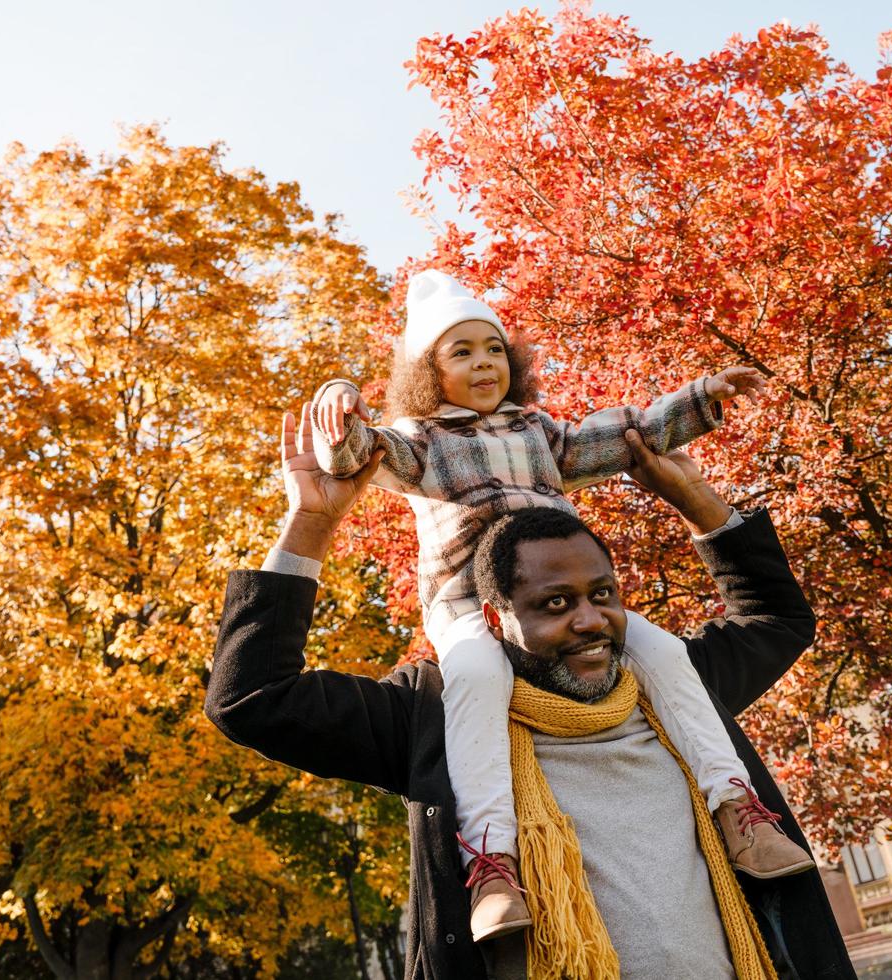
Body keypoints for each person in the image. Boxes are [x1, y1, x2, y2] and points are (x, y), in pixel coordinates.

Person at [204, 405, 858, 980]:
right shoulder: (433, 720)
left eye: (603, 596)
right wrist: (312, 523)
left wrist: (696, 499)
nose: (590, 620)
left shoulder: (674, 689)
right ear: (495, 617)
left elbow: (778, 621)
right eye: (554, 603)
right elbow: (253, 698)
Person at [307, 270, 813, 941]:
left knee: (665, 655)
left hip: (561, 597)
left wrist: (699, 400)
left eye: (493, 349)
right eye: (461, 353)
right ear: (427, 372)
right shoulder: (421, 440)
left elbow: (625, 433)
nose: (483, 363)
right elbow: (360, 455)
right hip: (469, 607)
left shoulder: (539, 433)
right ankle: (492, 864)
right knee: (479, 680)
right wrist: (338, 407)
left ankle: (737, 809)